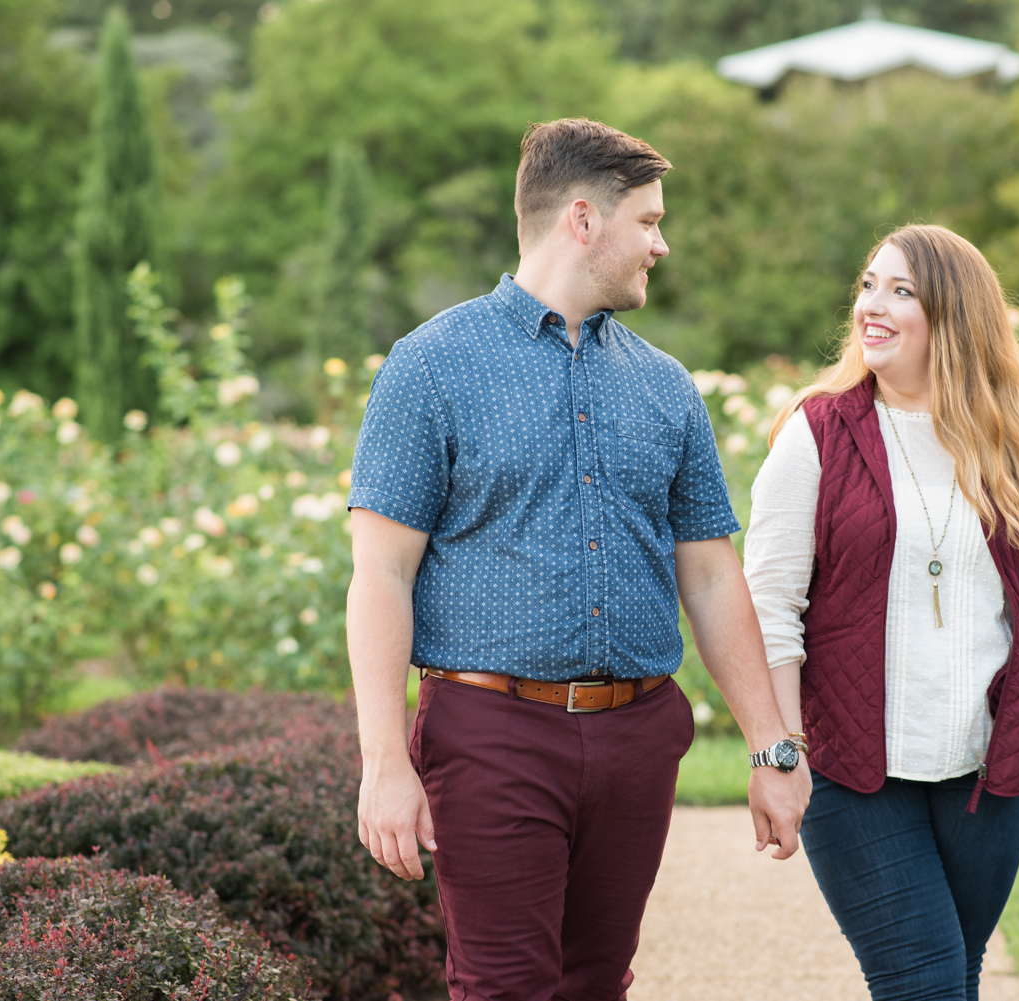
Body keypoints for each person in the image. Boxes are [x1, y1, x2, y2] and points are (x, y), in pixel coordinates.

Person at [344, 118, 808, 1001]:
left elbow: (711, 577)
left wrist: (771, 749)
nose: (662, 245)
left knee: (597, 983)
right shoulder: (431, 367)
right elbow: (381, 574)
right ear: (584, 220)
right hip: (491, 735)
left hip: (639, 737)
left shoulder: (666, 385)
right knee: (505, 987)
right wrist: (383, 763)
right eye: (650, 221)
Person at [744, 224, 1019, 1001]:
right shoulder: (817, 432)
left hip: (994, 765)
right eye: (869, 284)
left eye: (901, 291)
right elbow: (769, 602)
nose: (873, 304)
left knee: (953, 974)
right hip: (852, 767)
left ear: (956, 315)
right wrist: (781, 747)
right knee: (924, 982)